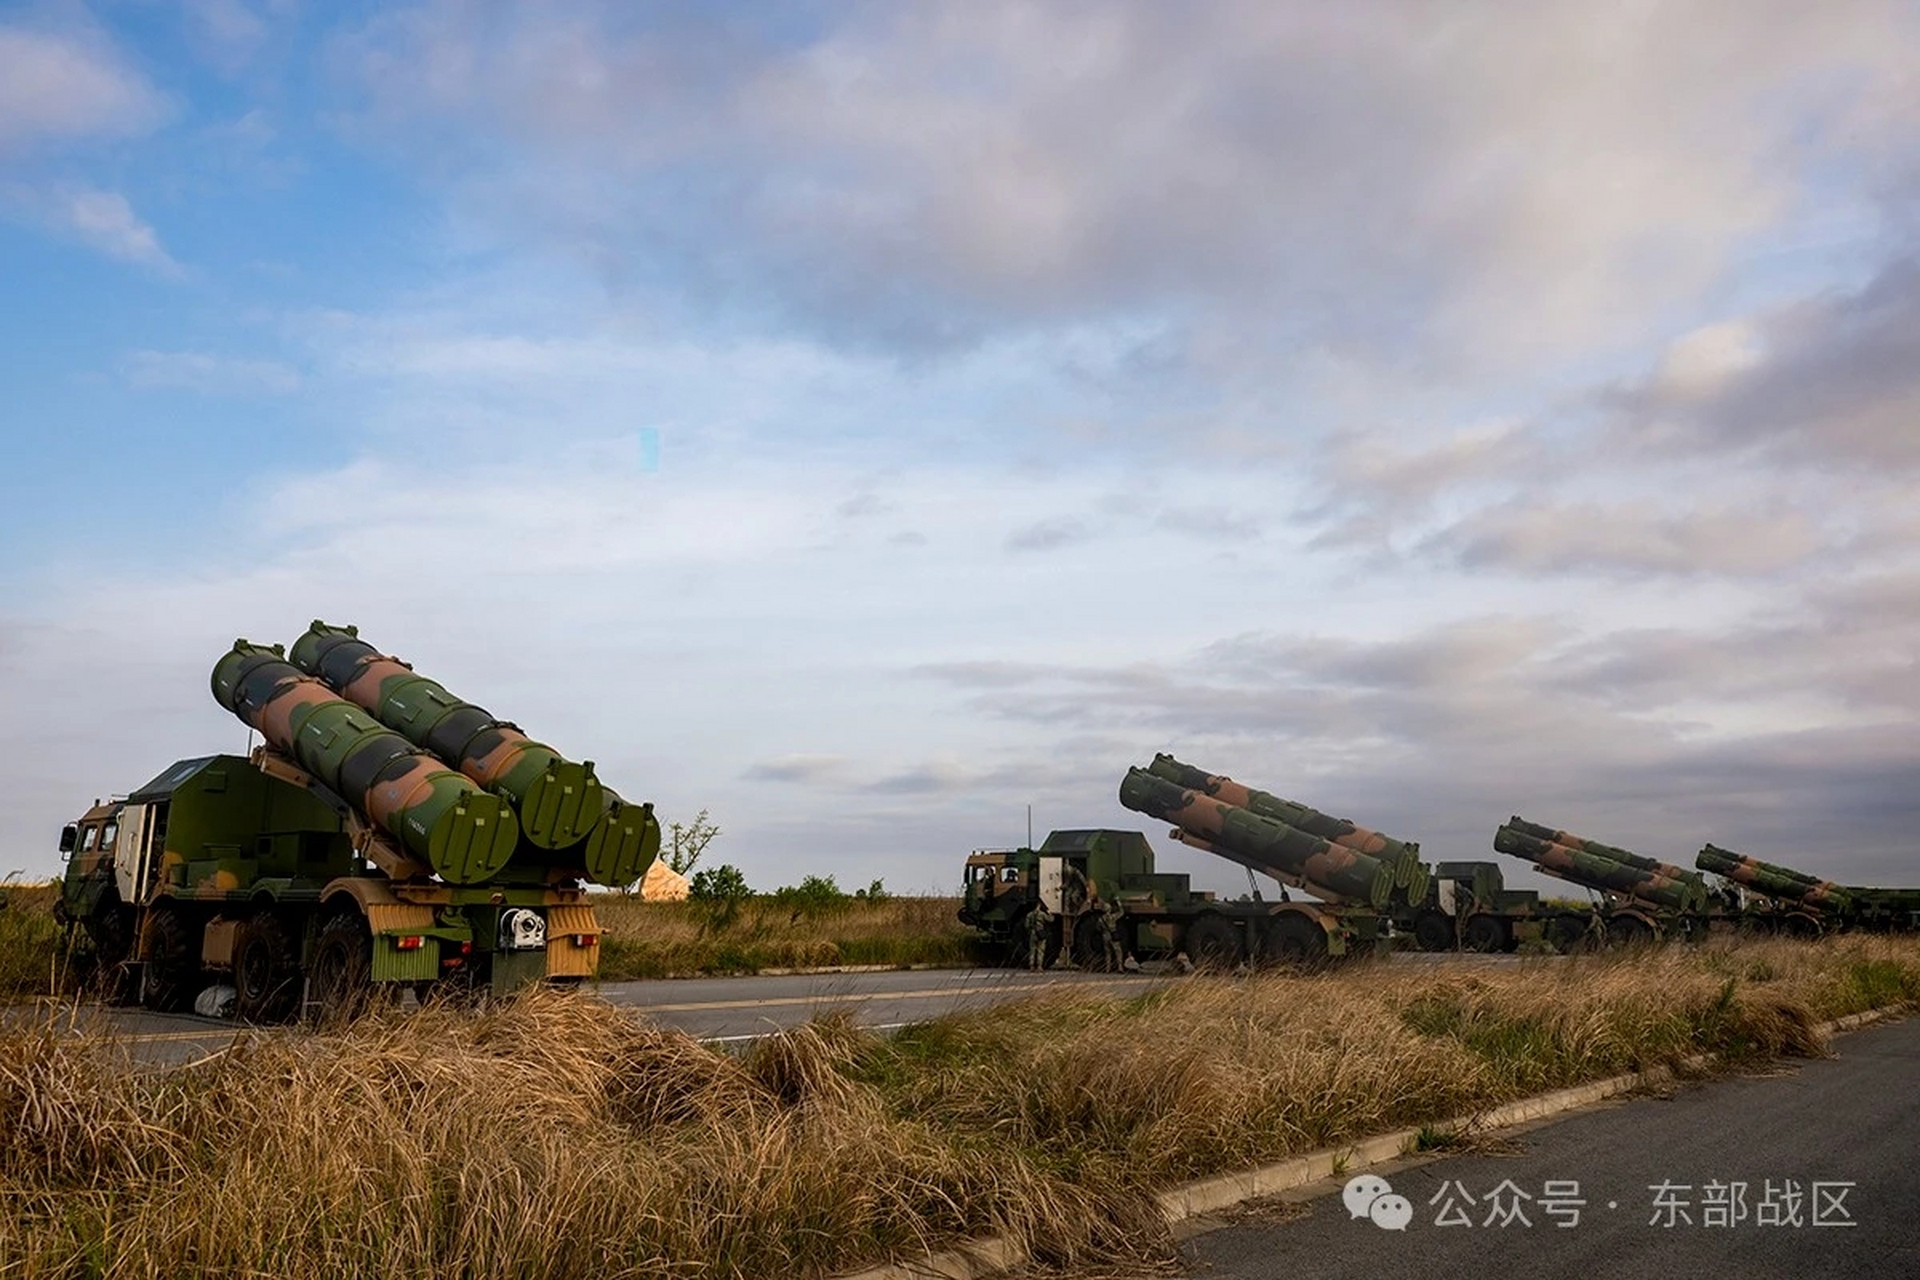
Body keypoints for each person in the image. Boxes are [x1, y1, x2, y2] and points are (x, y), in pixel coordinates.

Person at [1096, 897, 1126, 972]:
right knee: (1118, 951)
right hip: (1113, 935)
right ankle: (1120, 967)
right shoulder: (1112, 917)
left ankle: (1107, 969)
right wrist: (1119, 904)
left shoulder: (1101, 919)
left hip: (1105, 936)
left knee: (1108, 953)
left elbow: (1098, 928)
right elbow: (1121, 912)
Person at [1024, 901, 1053, 971]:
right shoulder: (1042, 914)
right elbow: (1051, 920)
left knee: (1032, 950)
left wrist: (1030, 931)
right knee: (1040, 950)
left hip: (1033, 933)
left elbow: (1026, 926)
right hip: (1041, 933)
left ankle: (1031, 965)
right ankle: (1039, 966)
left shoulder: (1029, 914)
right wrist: (1050, 914)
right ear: (1039, 906)